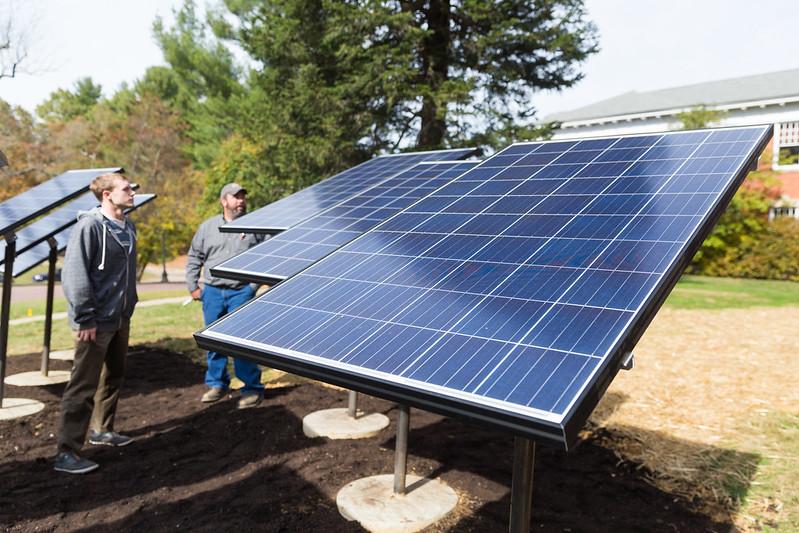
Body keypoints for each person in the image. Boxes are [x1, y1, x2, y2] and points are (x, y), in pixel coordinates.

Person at [54, 172, 138, 474]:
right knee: (82, 386)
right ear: (106, 194)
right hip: (95, 321)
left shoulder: (128, 226)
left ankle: (103, 429)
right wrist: (85, 317)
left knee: (114, 376)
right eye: (126, 189)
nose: (132, 193)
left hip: (119, 318)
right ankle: (67, 453)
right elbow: (74, 274)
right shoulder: (89, 226)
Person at [186, 183, 265, 409]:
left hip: (241, 291)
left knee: (242, 342)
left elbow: (269, 256)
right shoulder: (208, 227)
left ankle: (251, 388)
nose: (240, 201)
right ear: (224, 201)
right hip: (212, 292)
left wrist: (252, 286)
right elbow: (194, 257)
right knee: (214, 341)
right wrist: (193, 286)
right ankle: (217, 384)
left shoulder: (256, 225)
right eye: (235, 197)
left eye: (242, 197)